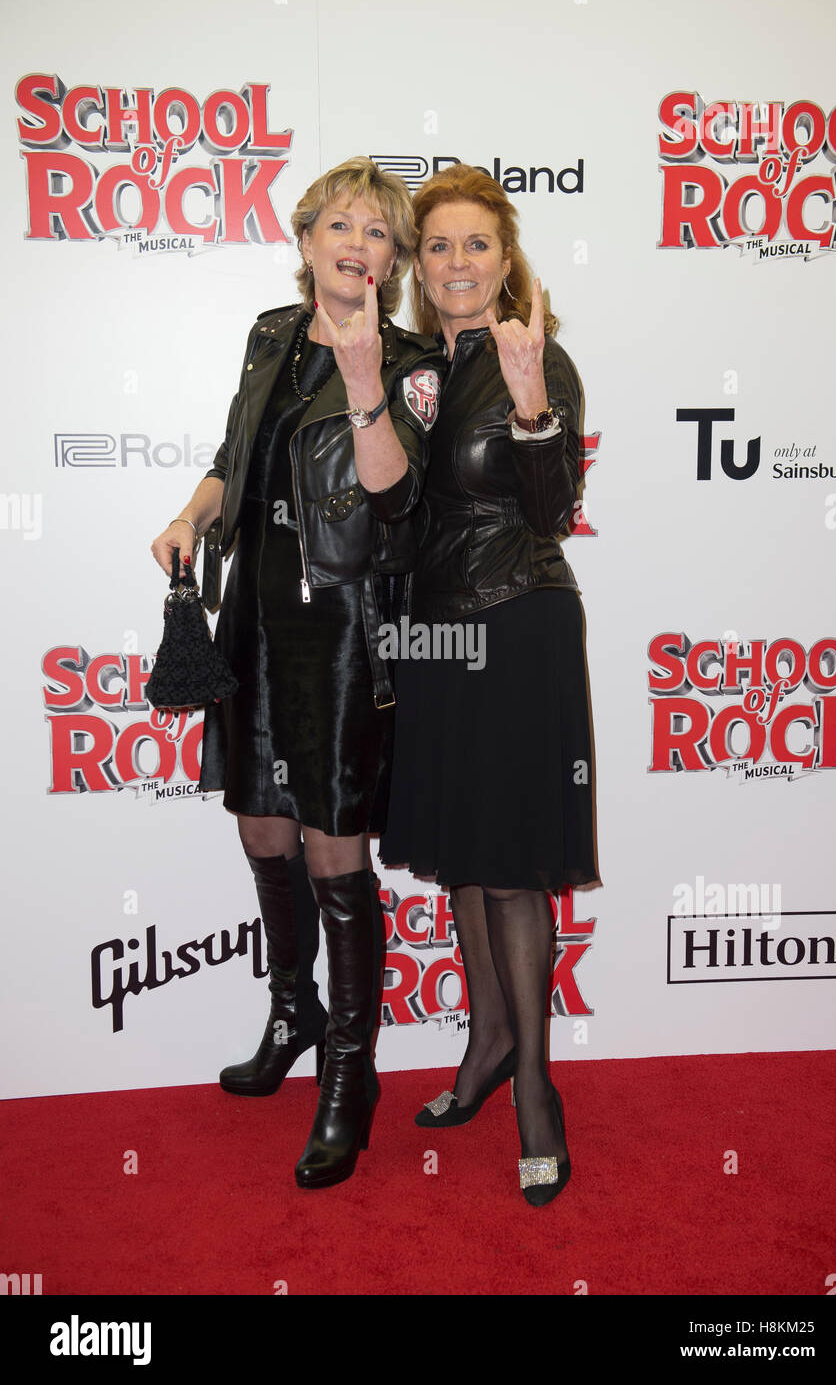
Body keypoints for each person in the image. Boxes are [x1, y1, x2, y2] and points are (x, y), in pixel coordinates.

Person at [150, 158, 442, 1190]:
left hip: (345, 629)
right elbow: (239, 454)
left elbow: (394, 501)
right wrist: (192, 513)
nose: (356, 242)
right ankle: (293, 1009)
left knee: (331, 848)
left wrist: (365, 384)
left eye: (378, 230)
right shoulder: (271, 334)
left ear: (394, 260)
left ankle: (349, 1073)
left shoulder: (410, 359)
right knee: (260, 824)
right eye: (339, 224)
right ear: (307, 238)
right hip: (257, 617)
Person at [379, 164, 601, 1207]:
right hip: (431, 634)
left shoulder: (536, 354)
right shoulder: (411, 367)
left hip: (517, 622)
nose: (456, 262)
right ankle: (485, 1045)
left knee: (510, 867)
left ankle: (536, 1090)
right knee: (465, 857)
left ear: (504, 261)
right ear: (418, 268)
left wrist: (528, 405)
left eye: (476, 244)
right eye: (438, 246)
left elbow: (551, 510)